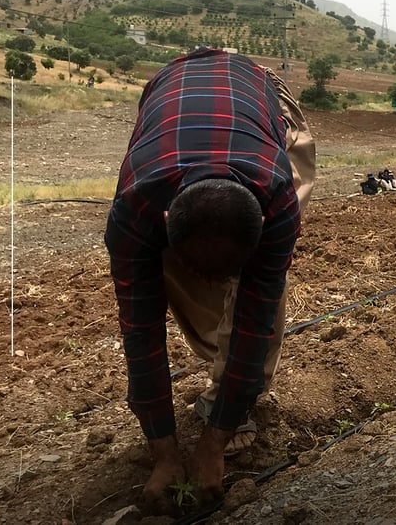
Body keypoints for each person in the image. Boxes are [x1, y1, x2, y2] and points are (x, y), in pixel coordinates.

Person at [104, 48, 315, 507]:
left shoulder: (279, 205)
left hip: (260, 89)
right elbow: (141, 335)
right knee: (186, 285)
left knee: (263, 297)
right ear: (164, 221)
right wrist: (164, 451)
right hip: (170, 82)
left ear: (259, 227)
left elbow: (255, 320)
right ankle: (225, 396)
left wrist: (213, 444)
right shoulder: (134, 211)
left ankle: (233, 405)